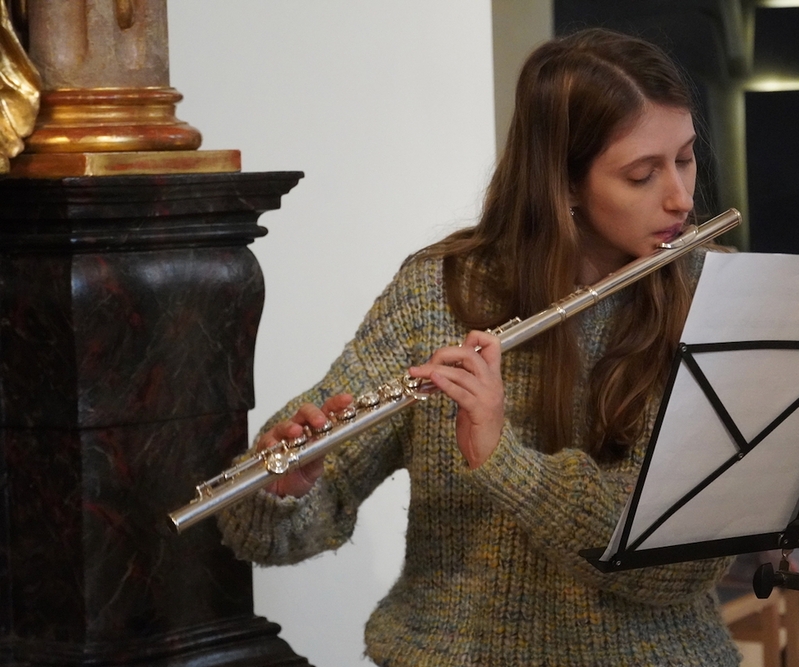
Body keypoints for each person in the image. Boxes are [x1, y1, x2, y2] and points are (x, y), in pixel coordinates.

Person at [217, 28, 740, 666]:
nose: (681, 197)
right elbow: (272, 534)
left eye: (684, 159)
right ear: (564, 184)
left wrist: (503, 459)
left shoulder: (713, 296)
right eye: (642, 174)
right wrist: (286, 491)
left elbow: (679, 564)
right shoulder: (438, 291)